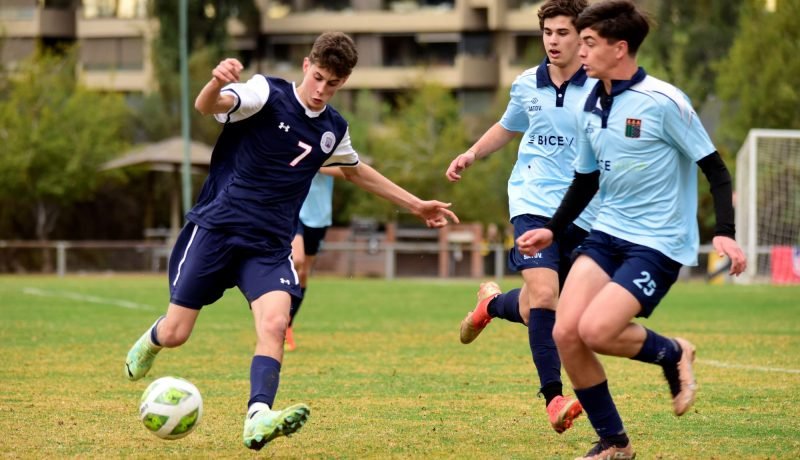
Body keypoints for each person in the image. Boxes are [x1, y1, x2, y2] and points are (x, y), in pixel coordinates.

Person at [123, 32, 459, 452]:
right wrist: (214, 82)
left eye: (332, 84)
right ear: (306, 65)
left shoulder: (334, 129)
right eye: (318, 77)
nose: (321, 90)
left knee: (276, 324)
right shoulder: (267, 93)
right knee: (176, 333)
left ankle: (258, 415)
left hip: (268, 244)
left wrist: (416, 205)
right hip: (218, 230)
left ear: (344, 82)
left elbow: (357, 171)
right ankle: (152, 340)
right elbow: (208, 106)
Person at [515, 2, 747, 458]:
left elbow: (716, 169)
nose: (579, 50)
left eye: (588, 42)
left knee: (598, 330)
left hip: (657, 242)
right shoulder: (589, 101)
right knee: (566, 332)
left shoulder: (664, 102)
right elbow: (586, 179)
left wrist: (724, 231)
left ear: (619, 49)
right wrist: (552, 230)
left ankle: (674, 352)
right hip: (605, 233)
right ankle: (614, 443)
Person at [445, 0, 595, 434]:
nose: (553, 40)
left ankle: (490, 305)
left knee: (538, 310)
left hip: (581, 211)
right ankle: (554, 399)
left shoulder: (601, 87)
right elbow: (508, 126)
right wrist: (471, 153)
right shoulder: (526, 83)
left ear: (582, 36)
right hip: (531, 201)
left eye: (562, 32)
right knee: (546, 297)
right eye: (547, 31)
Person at [286, 169, 339, 351]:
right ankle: (274, 312)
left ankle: (287, 325)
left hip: (319, 218)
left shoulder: (331, 147)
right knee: (297, 260)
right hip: (295, 211)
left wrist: (318, 163)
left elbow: (348, 170)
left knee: (303, 274)